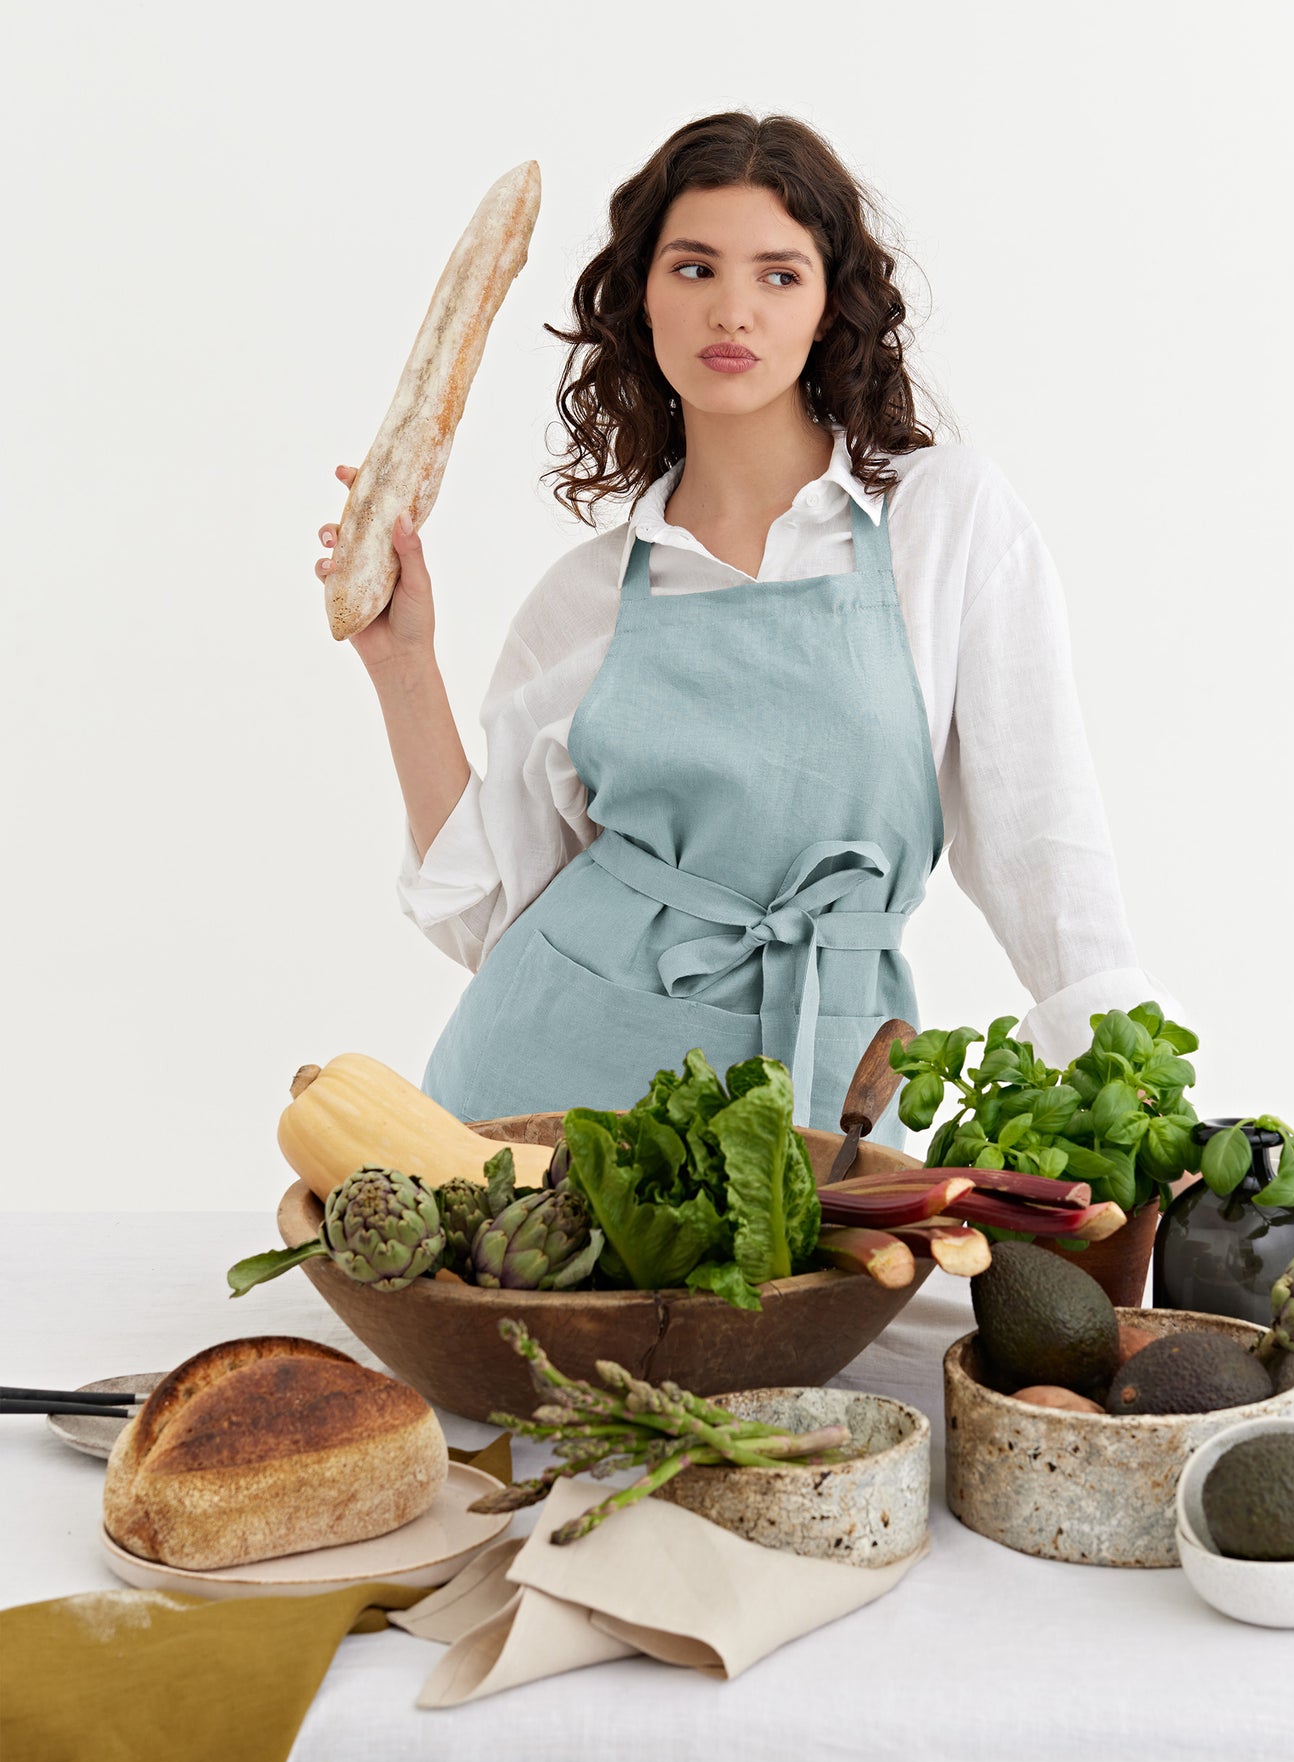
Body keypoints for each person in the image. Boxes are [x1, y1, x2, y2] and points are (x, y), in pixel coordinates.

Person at [313, 113, 1191, 1157]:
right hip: (544, 1105)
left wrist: (1154, 1123)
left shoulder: (941, 518)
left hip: (827, 1091)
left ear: (828, 307)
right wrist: (401, 662)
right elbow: (490, 916)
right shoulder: (583, 598)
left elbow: (1040, 844)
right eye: (693, 268)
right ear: (641, 298)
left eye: (778, 274)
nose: (731, 310)